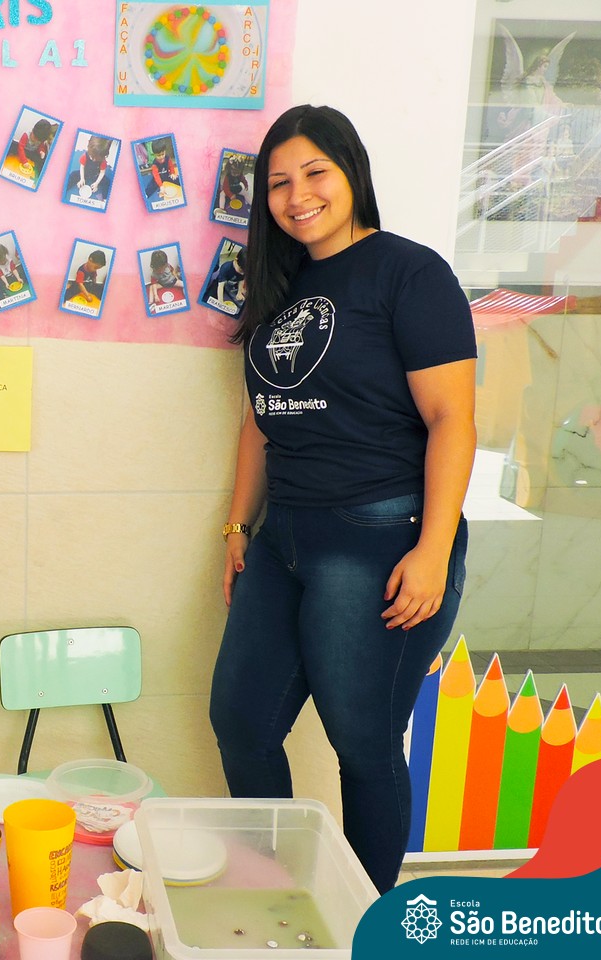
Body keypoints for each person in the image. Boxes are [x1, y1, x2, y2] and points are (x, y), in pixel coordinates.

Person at [208, 105, 476, 893]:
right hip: (284, 536)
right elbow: (260, 420)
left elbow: (452, 418)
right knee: (241, 722)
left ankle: (365, 922)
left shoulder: (409, 272)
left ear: (352, 172)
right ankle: (283, 895)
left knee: (361, 742)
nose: (297, 197)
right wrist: (237, 524)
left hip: (380, 534)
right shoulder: (278, 286)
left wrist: (433, 550)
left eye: (314, 173)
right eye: (278, 183)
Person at [66, 135, 113, 201]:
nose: (94, 160)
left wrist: (96, 183)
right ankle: (63, 190)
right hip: (85, 173)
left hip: (96, 175)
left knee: (107, 182)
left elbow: (102, 173)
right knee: (73, 174)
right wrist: (82, 179)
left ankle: (105, 199)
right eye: (92, 157)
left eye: (96, 158)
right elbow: (82, 167)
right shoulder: (85, 156)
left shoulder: (103, 161)